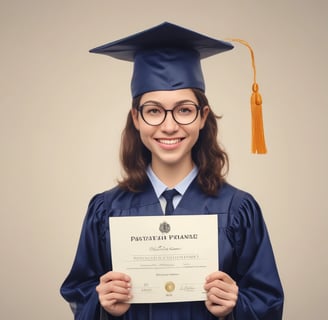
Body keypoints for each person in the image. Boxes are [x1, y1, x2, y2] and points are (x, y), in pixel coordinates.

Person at [60, 22, 284, 320]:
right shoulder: (107, 210)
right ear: (136, 118)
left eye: (184, 109)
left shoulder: (238, 209)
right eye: (153, 110)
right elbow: (81, 291)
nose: (168, 125)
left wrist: (236, 305)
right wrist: (102, 305)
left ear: (202, 116)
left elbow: (267, 302)